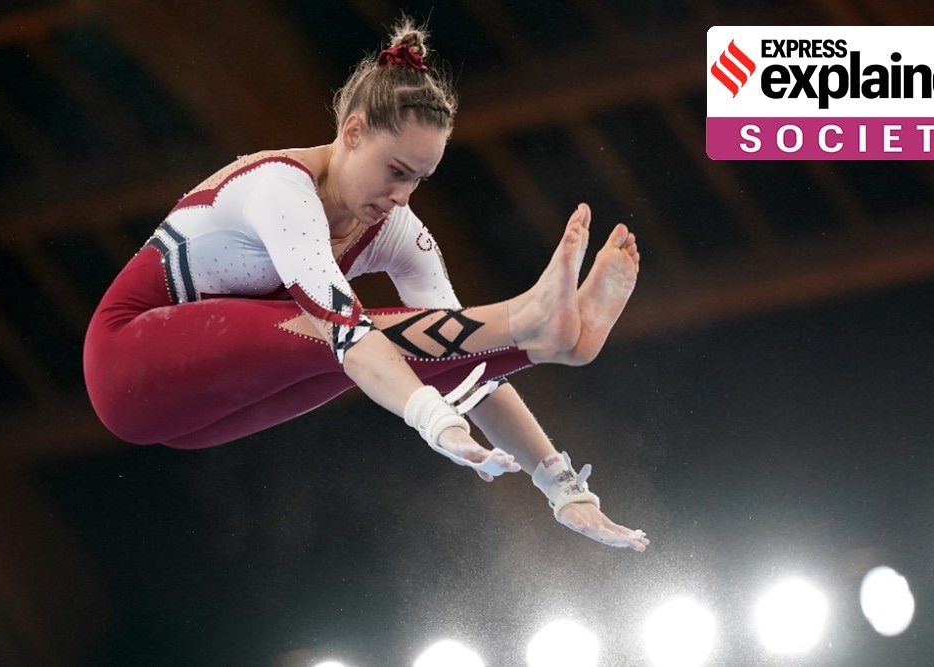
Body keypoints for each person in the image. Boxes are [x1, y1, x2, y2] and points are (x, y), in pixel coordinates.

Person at [82, 19, 649, 551]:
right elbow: (344, 331)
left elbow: (461, 360)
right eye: (396, 171)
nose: (403, 196)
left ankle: (542, 340)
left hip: (204, 416)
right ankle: (529, 322)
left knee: (405, 351)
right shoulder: (280, 191)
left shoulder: (393, 227)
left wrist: (559, 483)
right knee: (338, 338)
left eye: (419, 181)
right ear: (353, 133)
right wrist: (432, 418)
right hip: (125, 364)